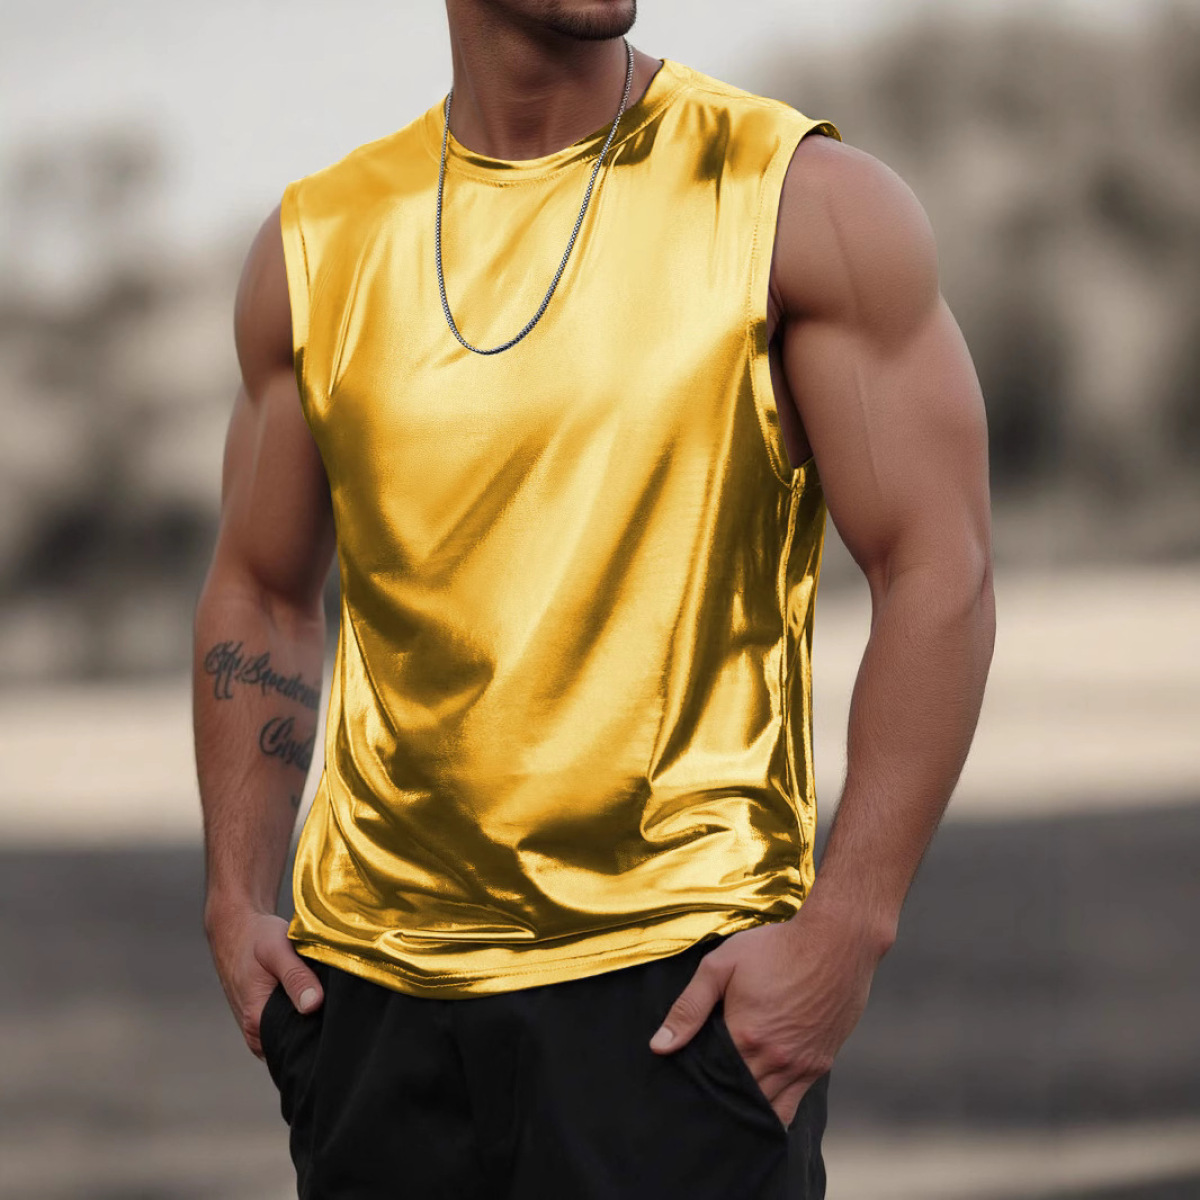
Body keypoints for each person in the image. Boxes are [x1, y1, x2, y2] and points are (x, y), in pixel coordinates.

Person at [193, 2, 995, 1196]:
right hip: (373, 1014)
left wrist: (848, 930)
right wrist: (232, 895)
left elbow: (938, 562)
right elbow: (260, 592)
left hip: (675, 1005)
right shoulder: (320, 242)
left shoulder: (799, 200)